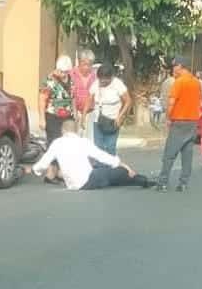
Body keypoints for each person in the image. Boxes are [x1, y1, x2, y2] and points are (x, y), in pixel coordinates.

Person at [26, 120, 154, 190]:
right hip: (89, 179)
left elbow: (44, 162)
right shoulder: (83, 141)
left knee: (110, 178)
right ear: (76, 130)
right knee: (119, 173)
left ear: (62, 131)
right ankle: (142, 180)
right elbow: (101, 156)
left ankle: (136, 180)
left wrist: (32, 169)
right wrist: (122, 164)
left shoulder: (57, 143)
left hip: (73, 184)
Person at [156, 56, 202, 193]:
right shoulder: (197, 83)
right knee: (187, 154)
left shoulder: (179, 82)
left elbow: (171, 103)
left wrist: (168, 118)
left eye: (174, 67)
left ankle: (162, 182)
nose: (173, 69)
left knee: (169, 154)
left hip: (179, 121)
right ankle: (183, 183)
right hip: (192, 122)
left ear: (180, 67)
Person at [84, 62, 131, 155]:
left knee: (110, 147)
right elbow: (89, 99)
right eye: (101, 79)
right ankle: (100, 168)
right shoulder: (95, 84)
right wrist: (83, 116)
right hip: (98, 121)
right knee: (98, 147)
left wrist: (120, 116)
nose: (103, 82)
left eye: (105, 79)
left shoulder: (118, 84)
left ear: (111, 77)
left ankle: (111, 168)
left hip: (113, 121)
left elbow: (128, 101)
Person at [39, 55, 76, 147]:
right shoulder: (49, 81)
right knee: (54, 144)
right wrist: (42, 119)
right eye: (61, 71)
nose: (64, 74)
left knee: (68, 144)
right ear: (57, 68)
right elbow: (42, 100)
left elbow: (73, 97)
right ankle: (53, 161)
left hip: (68, 117)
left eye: (66, 72)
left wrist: (75, 112)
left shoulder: (71, 80)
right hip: (53, 117)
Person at [71, 49, 97, 141]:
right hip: (75, 112)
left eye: (89, 65)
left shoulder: (95, 76)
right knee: (75, 139)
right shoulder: (71, 74)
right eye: (84, 64)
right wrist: (74, 112)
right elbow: (70, 94)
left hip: (90, 112)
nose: (87, 67)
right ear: (79, 62)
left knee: (89, 141)